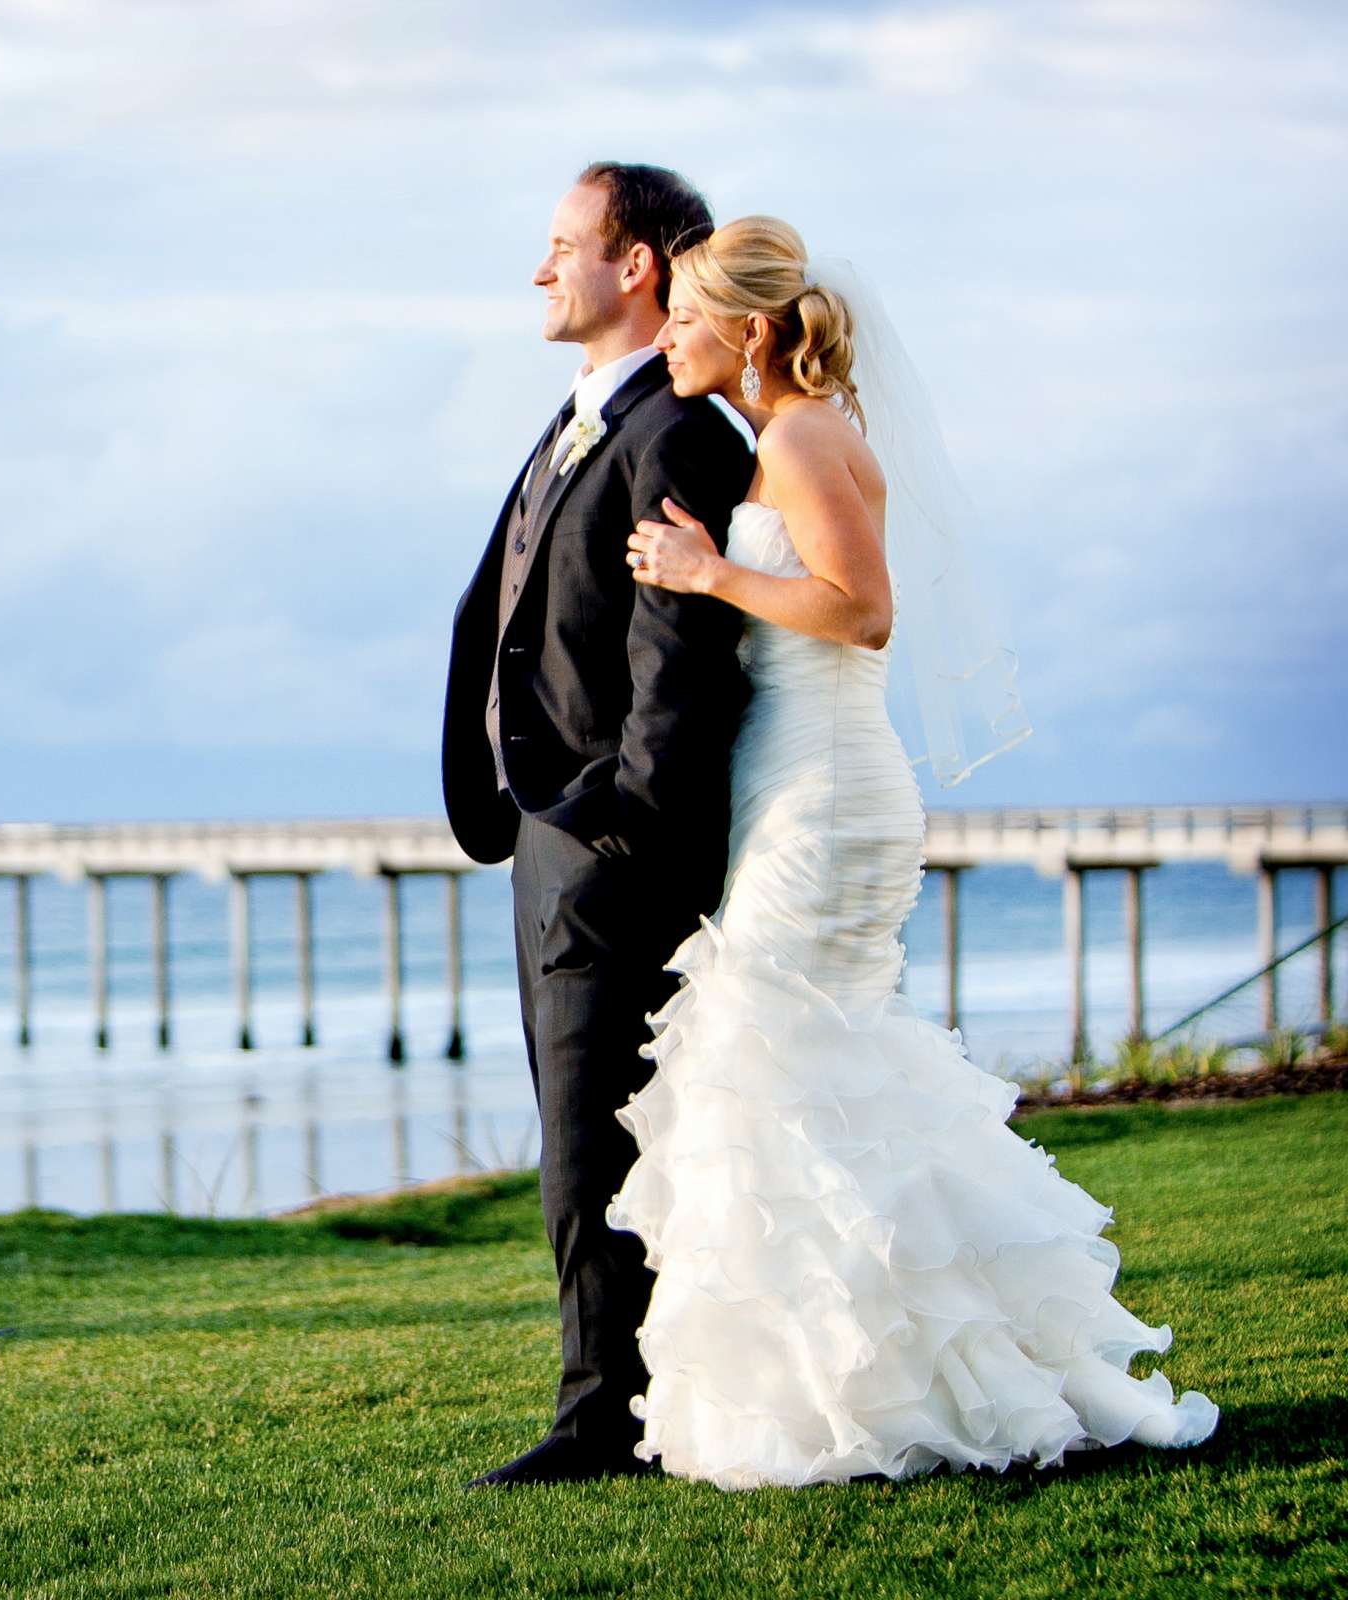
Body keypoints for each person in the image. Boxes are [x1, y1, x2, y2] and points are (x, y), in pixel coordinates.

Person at [607, 215, 1219, 1489]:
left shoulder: (805, 435)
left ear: (752, 331)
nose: (664, 334)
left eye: (686, 317)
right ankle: (862, 1379)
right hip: (799, 779)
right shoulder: (792, 433)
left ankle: (897, 1384)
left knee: (773, 1053)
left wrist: (709, 573)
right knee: (811, 1068)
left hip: (828, 790)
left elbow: (864, 612)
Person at [440, 160, 757, 1486]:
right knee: (583, 1132)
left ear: (635, 266)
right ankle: (624, 1398)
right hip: (551, 837)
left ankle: (604, 1420)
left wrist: (618, 814)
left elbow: (679, 656)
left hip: (609, 846)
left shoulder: (677, 435)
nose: (539, 267)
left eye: (561, 244)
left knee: (594, 1141)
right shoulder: (583, 419)